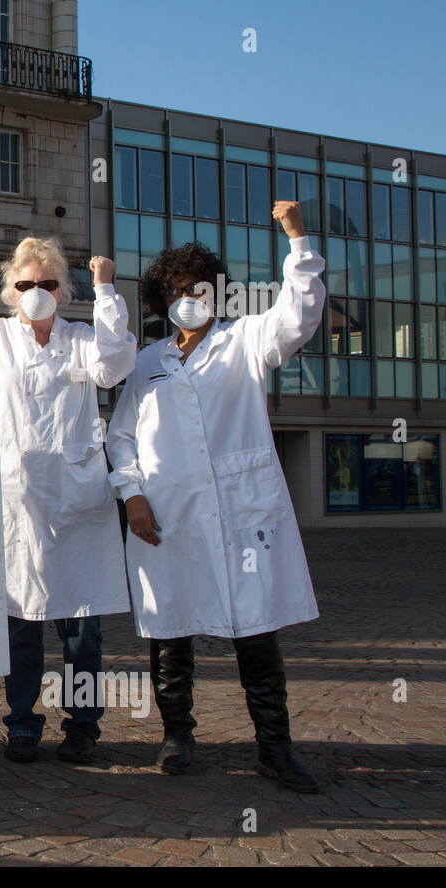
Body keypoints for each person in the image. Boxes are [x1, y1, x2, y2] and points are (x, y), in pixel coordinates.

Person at [106, 200, 324, 793]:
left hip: (239, 514)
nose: (188, 298)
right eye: (176, 290)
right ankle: (177, 736)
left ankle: (273, 749)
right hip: (166, 516)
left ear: (215, 292)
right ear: (161, 299)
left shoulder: (246, 341)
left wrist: (297, 240)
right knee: (170, 630)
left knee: (257, 629)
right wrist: (131, 496)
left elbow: (298, 317)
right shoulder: (146, 363)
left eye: (198, 288)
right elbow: (120, 435)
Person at [0, 239, 136, 765]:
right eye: (26, 284)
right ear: (11, 290)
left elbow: (116, 365)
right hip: (17, 500)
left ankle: (83, 726)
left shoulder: (81, 340)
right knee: (21, 625)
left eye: (47, 284)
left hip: (77, 504)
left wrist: (105, 292)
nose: (36, 293)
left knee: (81, 630)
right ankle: (22, 723)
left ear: (63, 291)